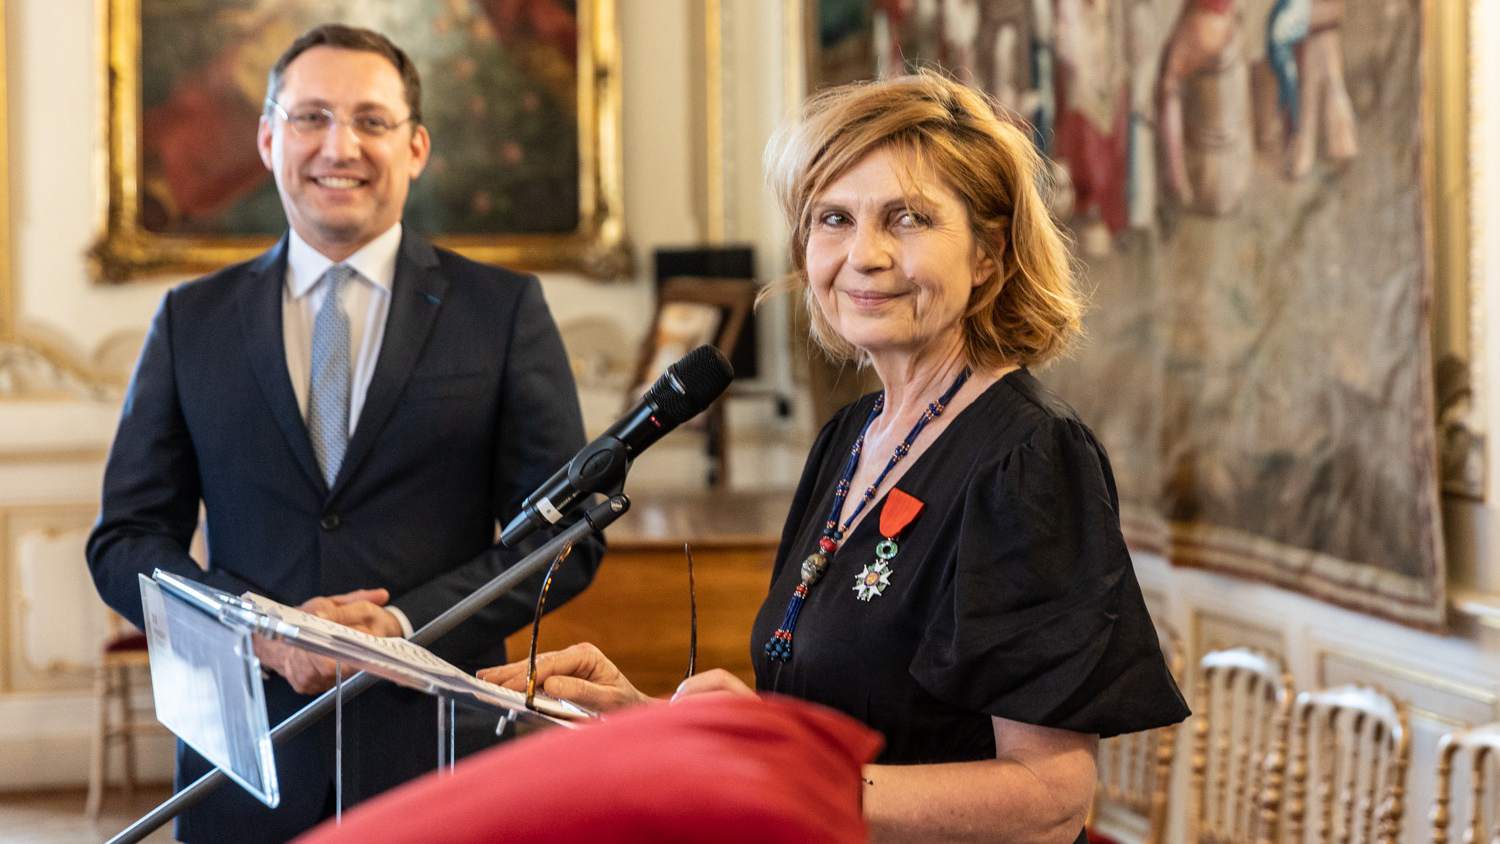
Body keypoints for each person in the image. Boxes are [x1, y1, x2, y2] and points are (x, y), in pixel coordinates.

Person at [480, 71, 1188, 843]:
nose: (865, 255)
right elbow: (834, 725)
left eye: (908, 218)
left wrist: (782, 770)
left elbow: (1049, 799)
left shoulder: (1028, 458)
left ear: (989, 254)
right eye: (834, 219)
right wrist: (651, 721)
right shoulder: (850, 438)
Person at [86, 24, 602, 842]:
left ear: (417, 146)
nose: (341, 146)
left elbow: (566, 536)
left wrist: (401, 631)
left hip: (441, 759)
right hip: (245, 765)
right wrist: (257, 628)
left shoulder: (502, 313)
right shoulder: (193, 321)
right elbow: (124, 541)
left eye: (371, 120)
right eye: (311, 117)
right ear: (266, 138)